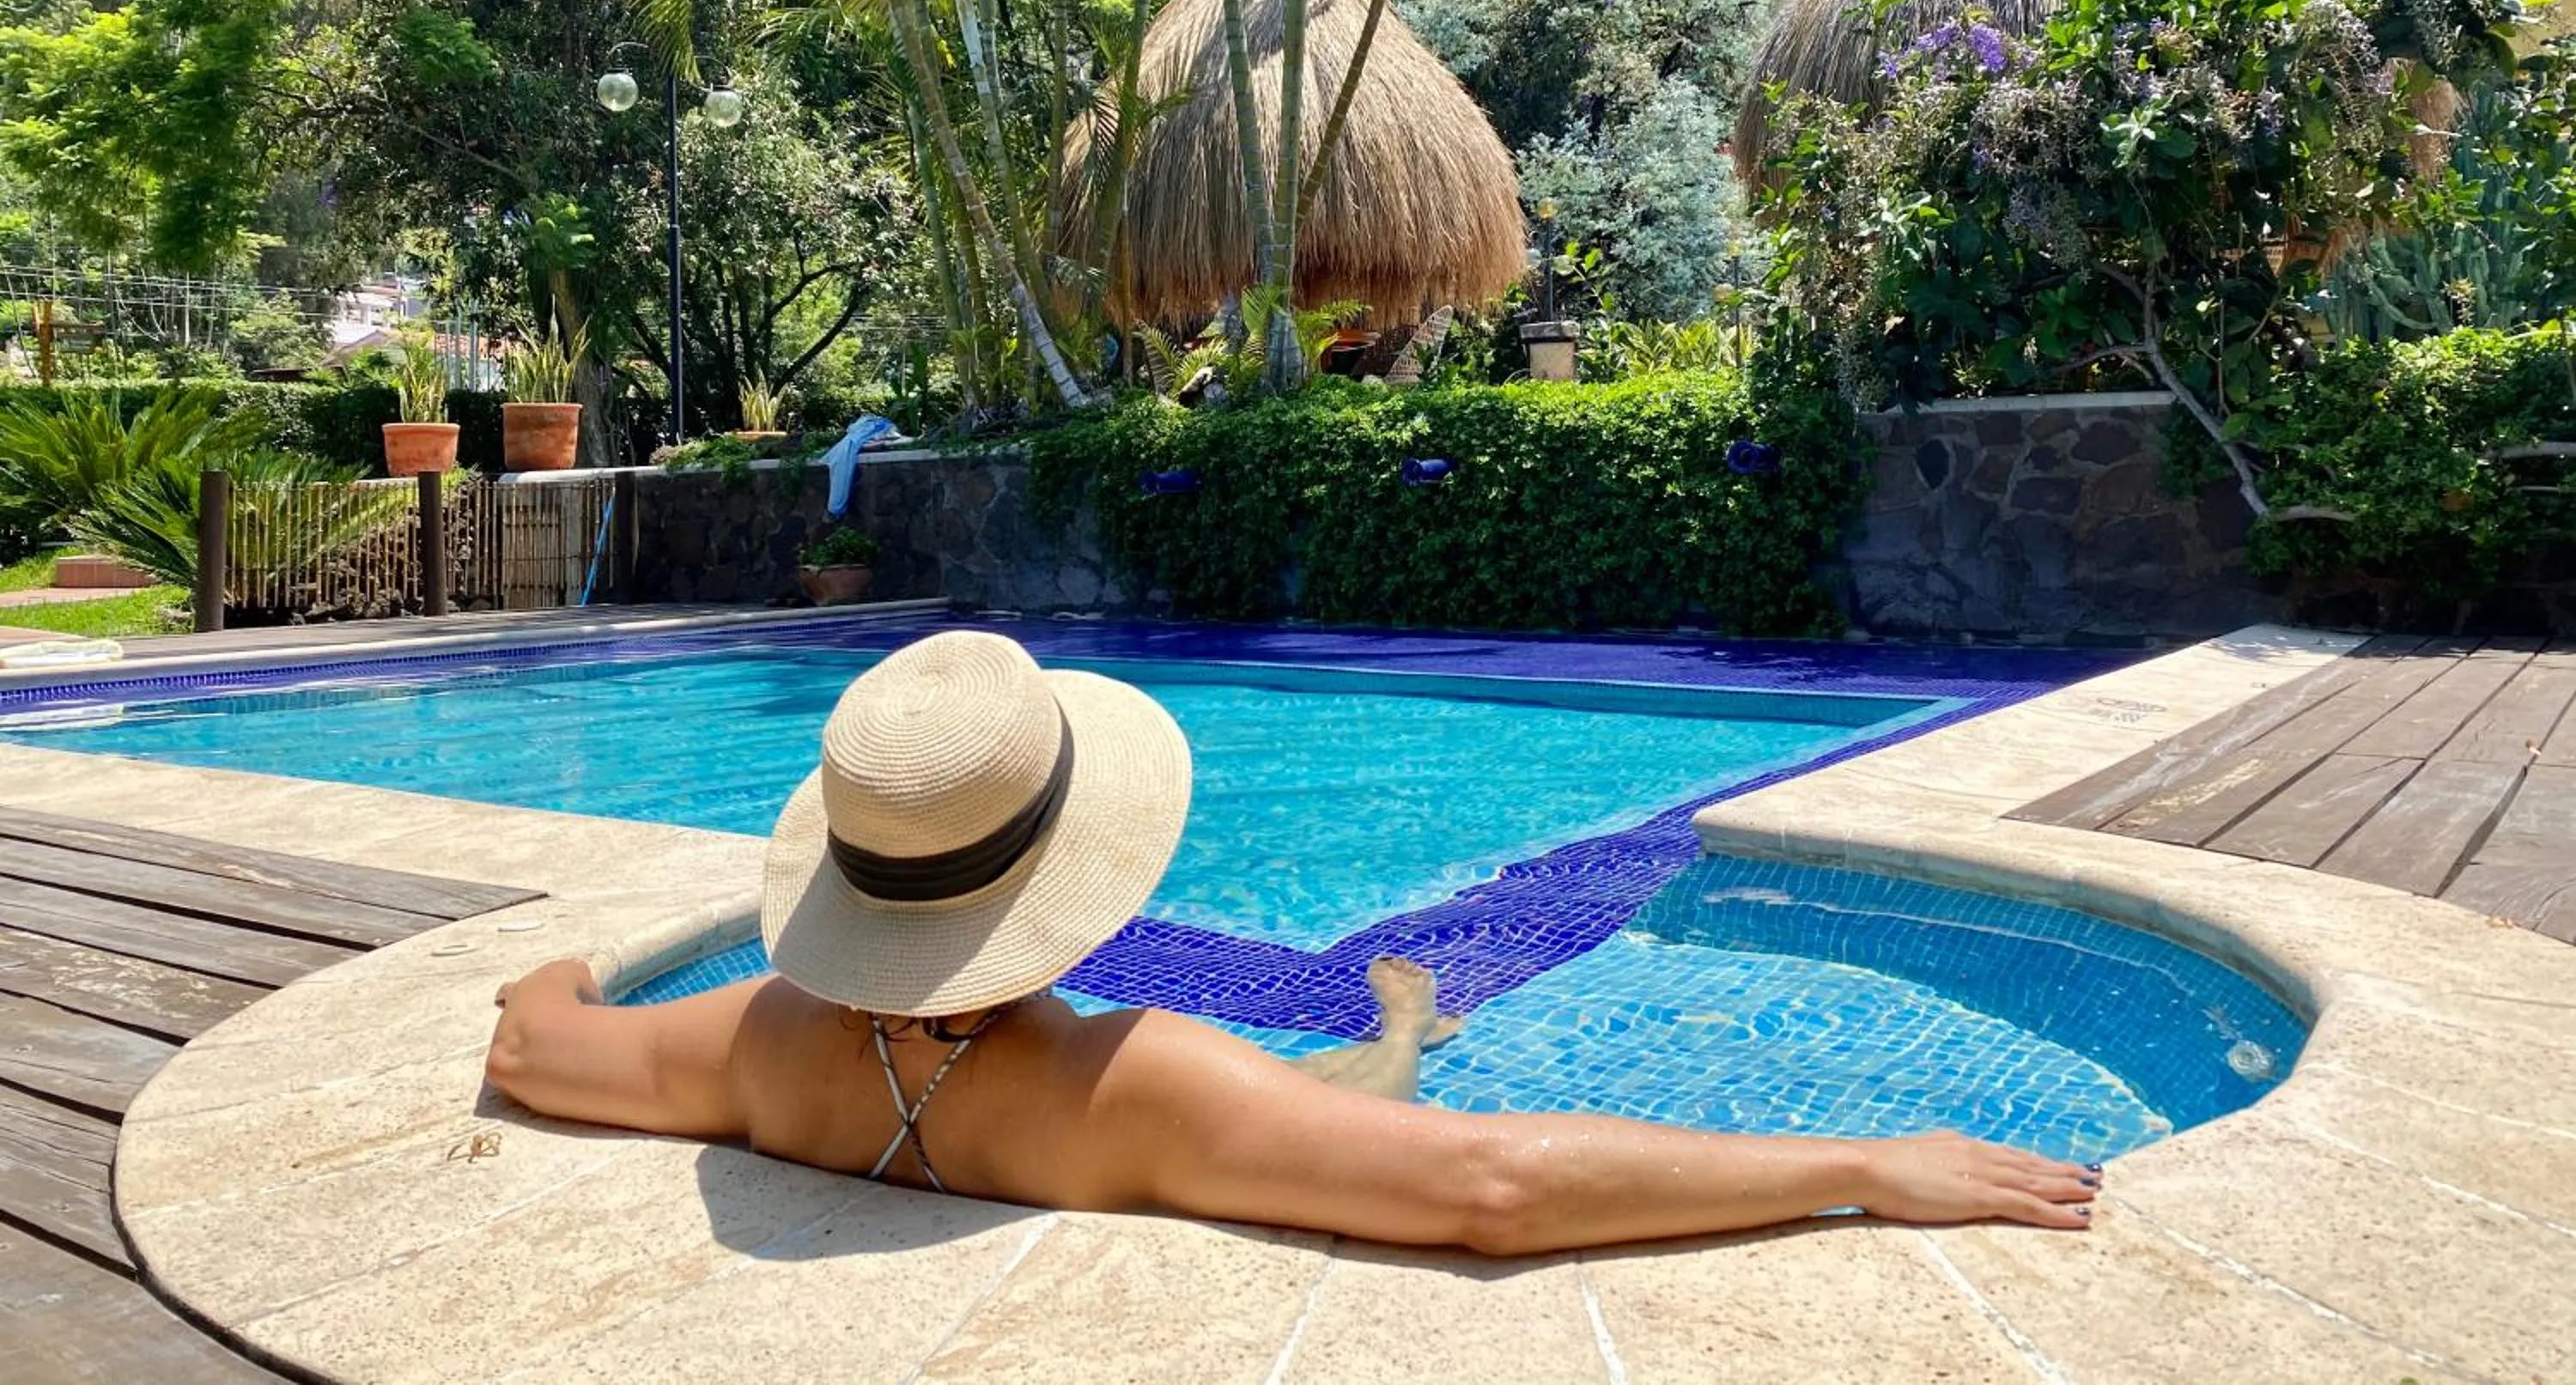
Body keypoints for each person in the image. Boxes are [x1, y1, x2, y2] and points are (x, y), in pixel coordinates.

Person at [486, 631, 2101, 1251]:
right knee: (1351, 1089)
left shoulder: (772, 1038)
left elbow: (533, 1039)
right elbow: (1493, 1186)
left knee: (1335, 1086)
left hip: (884, 1083)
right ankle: (1401, 1031)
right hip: (1194, 1110)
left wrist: (556, 966)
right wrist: (1863, 1160)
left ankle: (1395, 1037)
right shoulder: (1139, 1080)